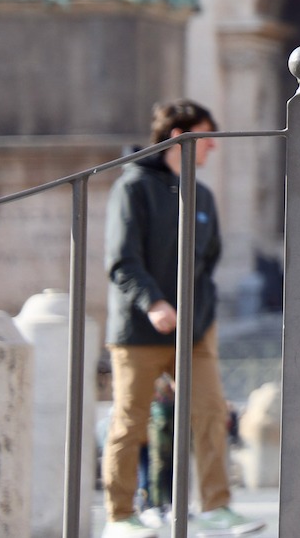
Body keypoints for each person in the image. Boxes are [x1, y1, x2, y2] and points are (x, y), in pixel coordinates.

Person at [101, 100, 263, 538]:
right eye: (207, 136)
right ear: (180, 137)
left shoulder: (203, 194)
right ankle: (120, 516)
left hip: (195, 331)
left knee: (211, 414)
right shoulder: (132, 187)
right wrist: (153, 302)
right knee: (130, 421)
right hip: (138, 331)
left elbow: (208, 261)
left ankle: (216, 507)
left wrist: (201, 313)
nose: (213, 146)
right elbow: (121, 260)